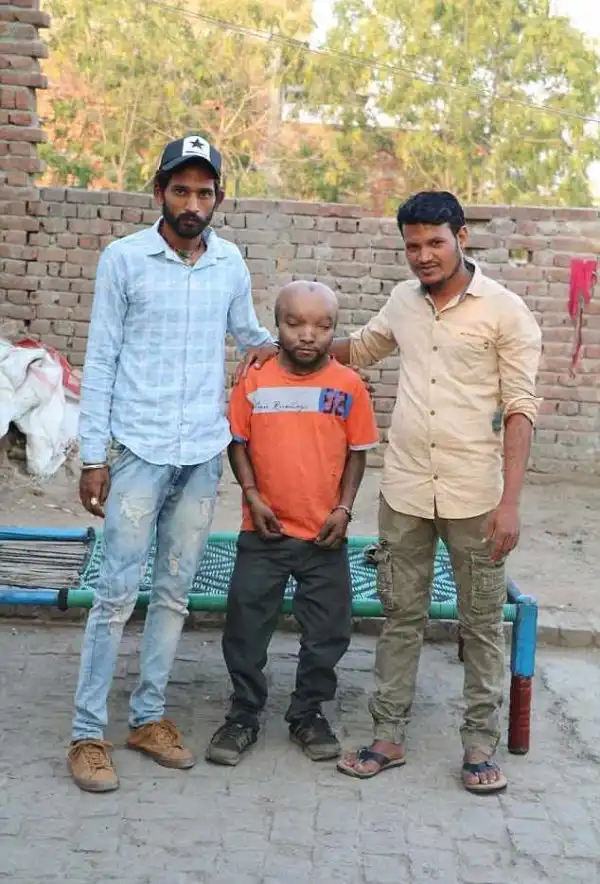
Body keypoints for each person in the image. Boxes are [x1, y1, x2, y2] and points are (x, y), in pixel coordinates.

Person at [242, 191, 542, 794]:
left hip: (475, 497)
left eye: (435, 242)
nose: (424, 255)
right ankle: (388, 735)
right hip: (404, 491)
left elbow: (520, 409)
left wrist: (510, 503)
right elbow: (359, 347)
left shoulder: (506, 313)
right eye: (413, 245)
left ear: (461, 237)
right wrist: (281, 346)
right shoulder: (404, 301)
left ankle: (479, 746)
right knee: (401, 617)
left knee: (481, 624)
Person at [68, 135, 279, 793]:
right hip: (137, 451)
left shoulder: (229, 262)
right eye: (180, 190)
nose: (192, 203)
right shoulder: (124, 260)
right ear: (159, 192)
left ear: (219, 198)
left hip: (201, 455)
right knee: (114, 595)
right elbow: (101, 360)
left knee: (173, 594)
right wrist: (94, 457)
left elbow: (249, 335)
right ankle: (87, 734)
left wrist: (299, 344)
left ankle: (148, 717)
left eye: (204, 192)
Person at [206, 281, 379, 766]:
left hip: (324, 536)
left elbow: (358, 453)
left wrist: (343, 510)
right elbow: (237, 442)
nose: (307, 335)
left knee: (330, 629)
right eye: (294, 323)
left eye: (322, 326)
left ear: (334, 329)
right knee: (245, 625)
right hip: (264, 531)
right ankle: (243, 714)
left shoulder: (348, 386)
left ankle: (308, 712)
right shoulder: (255, 380)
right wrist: (252, 495)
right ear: (276, 324)